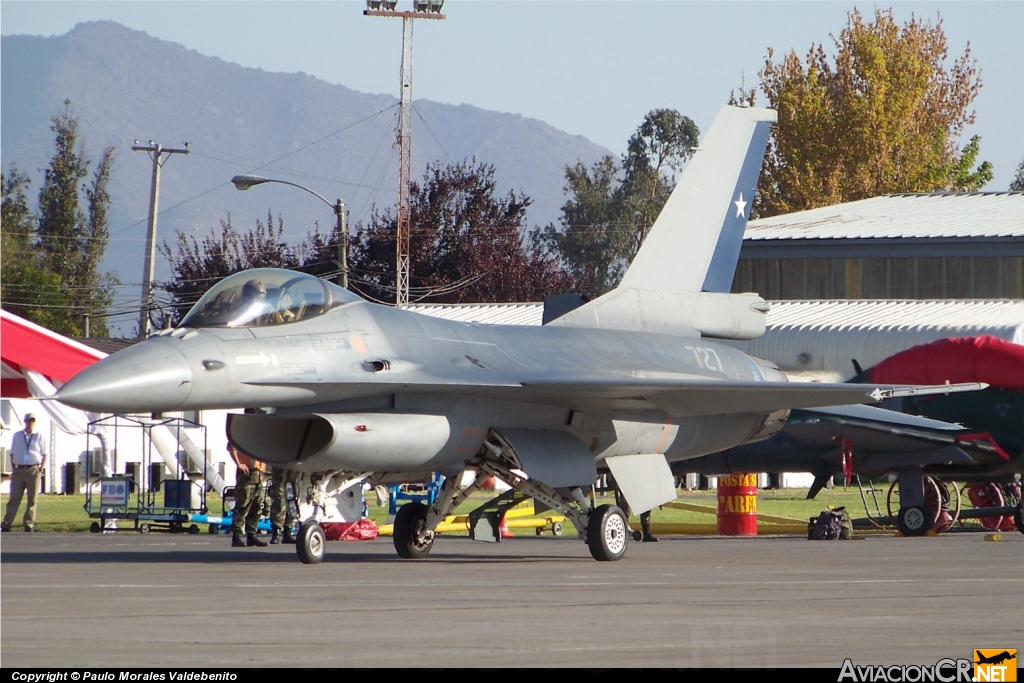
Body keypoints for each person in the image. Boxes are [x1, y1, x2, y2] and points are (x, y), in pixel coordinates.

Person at [2, 414, 48, 532]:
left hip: (33, 469)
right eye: (28, 420)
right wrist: (14, 468)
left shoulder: (39, 436)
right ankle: (6, 523)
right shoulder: (17, 435)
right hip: (19, 469)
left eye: (32, 420)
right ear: (24, 421)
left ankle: (28, 524)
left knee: (32, 499)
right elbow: (12, 452)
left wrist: (41, 468)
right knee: (14, 498)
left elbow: (44, 453)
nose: (30, 423)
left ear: (35, 422)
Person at [228, 444, 268, 547]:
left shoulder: (260, 437)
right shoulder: (244, 434)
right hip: (247, 474)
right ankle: (236, 536)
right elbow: (231, 447)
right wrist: (238, 463)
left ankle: (252, 535)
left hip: (259, 475)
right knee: (243, 505)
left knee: (257, 507)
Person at [268, 465, 298, 545]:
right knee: (280, 502)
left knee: (291, 500)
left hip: (292, 470)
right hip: (280, 471)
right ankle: (276, 533)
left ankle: (287, 531)